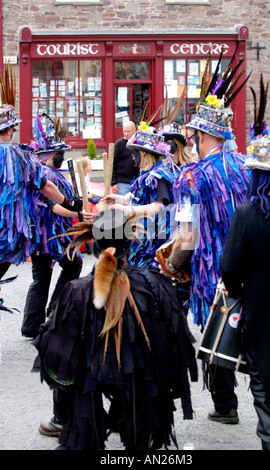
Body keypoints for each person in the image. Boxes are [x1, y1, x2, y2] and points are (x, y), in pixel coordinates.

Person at [32, 208, 198, 450]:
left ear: (94, 245)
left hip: (92, 374)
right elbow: (174, 346)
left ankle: (72, 423)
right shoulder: (155, 284)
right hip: (139, 378)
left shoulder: (76, 290)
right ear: (130, 245)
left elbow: (57, 354)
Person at [158, 52, 251, 424]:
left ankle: (226, 405)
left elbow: (186, 235)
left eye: (194, 134)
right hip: (252, 261)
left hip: (215, 268)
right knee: (255, 324)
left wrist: (171, 267)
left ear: (201, 135)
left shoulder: (190, 177)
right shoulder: (247, 167)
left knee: (218, 326)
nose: (191, 140)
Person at [220, 116, 270, 448]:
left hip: (262, 311)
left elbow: (230, 266)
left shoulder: (247, 215)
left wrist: (236, 291)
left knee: (264, 382)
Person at [0, 76, 82, 281]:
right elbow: (45, 187)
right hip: (5, 233)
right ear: (9, 130)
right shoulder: (19, 157)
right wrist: (69, 202)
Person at [21, 115, 92, 339]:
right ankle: (54, 311)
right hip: (49, 235)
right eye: (59, 154)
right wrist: (79, 212)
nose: (62, 157)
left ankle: (32, 324)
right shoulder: (45, 176)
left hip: (42, 235)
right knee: (73, 265)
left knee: (41, 277)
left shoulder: (43, 173)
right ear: (50, 155)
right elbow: (54, 208)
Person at [106, 121, 177, 270]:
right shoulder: (147, 175)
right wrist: (121, 199)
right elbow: (141, 200)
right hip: (145, 235)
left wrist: (129, 211)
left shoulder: (159, 176)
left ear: (143, 153)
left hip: (155, 239)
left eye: (135, 152)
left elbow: (158, 207)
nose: (132, 156)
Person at [111, 121, 140, 195]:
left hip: (136, 180)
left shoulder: (139, 143)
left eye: (129, 131)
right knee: (121, 205)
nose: (126, 134)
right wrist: (113, 183)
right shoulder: (119, 144)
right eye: (124, 131)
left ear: (135, 130)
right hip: (121, 182)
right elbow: (112, 163)